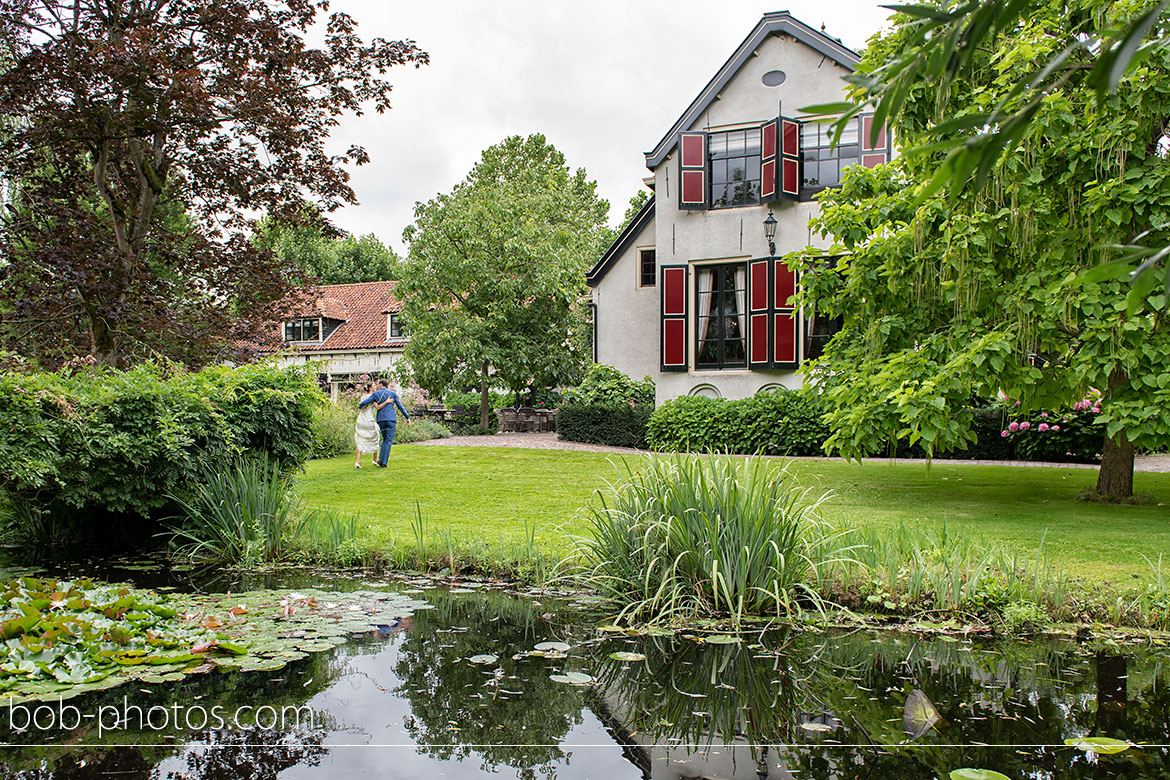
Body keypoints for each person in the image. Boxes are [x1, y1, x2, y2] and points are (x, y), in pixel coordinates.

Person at [358, 378, 411, 467]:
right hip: (391, 419)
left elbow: (365, 402)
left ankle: (381, 459)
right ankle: (383, 462)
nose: (377, 386)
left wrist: (360, 406)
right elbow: (400, 406)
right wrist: (407, 417)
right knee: (388, 440)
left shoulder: (376, 394)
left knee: (384, 439)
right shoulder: (392, 394)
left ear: (381, 385)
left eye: (378, 384)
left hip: (381, 420)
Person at [353, 381, 392, 468]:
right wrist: (387, 401)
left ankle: (358, 461)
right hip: (369, 419)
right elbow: (377, 407)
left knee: (360, 438)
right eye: (374, 386)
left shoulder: (363, 397)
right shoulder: (373, 397)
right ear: (370, 388)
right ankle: (374, 459)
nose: (375, 387)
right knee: (375, 437)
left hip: (361, 419)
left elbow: (361, 407)